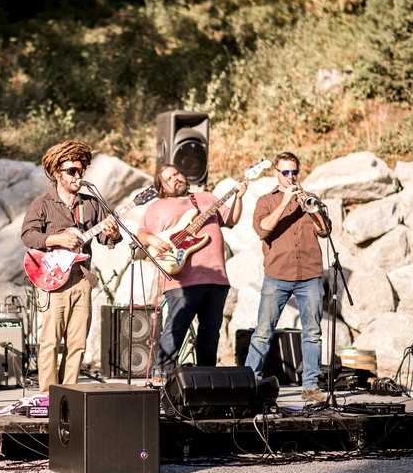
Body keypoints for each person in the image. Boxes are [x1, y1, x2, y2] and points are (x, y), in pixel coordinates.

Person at [21, 140, 122, 394]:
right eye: (72, 171)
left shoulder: (91, 203)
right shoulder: (42, 203)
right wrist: (56, 239)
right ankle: (47, 396)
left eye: (80, 171)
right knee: (50, 341)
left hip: (82, 278)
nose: (78, 176)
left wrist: (113, 233)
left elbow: (105, 239)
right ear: (57, 174)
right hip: (53, 280)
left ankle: (70, 396)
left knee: (77, 343)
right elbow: (28, 236)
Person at [137, 164, 247, 380]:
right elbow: (142, 233)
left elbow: (231, 219)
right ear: (162, 186)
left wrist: (239, 197)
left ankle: (207, 379)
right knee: (176, 328)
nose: (175, 179)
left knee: (210, 333)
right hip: (182, 279)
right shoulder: (157, 207)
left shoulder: (206, 197)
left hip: (216, 277)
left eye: (177, 173)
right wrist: (153, 240)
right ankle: (162, 376)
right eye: (169, 178)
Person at [245, 152, 329, 402]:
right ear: (276, 173)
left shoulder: (310, 198)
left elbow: (324, 230)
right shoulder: (265, 201)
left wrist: (309, 205)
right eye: (285, 172)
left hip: (310, 274)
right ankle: (249, 383)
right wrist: (284, 202)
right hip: (277, 274)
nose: (291, 177)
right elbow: (263, 229)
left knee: (313, 332)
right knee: (263, 331)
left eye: (294, 172)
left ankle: (311, 387)